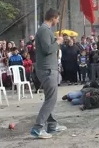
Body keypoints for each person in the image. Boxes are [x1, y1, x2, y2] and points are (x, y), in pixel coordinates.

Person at [30, 8, 66, 139]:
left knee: (49, 98)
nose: (57, 21)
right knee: (51, 99)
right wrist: (57, 42)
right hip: (47, 69)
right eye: (57, 18)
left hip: (48, 68)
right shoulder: (44, 30)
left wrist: (55, 42)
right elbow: (47, 49)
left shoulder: (45, 30)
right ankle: (38, 128)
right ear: (53, 17)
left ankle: (51, 125)